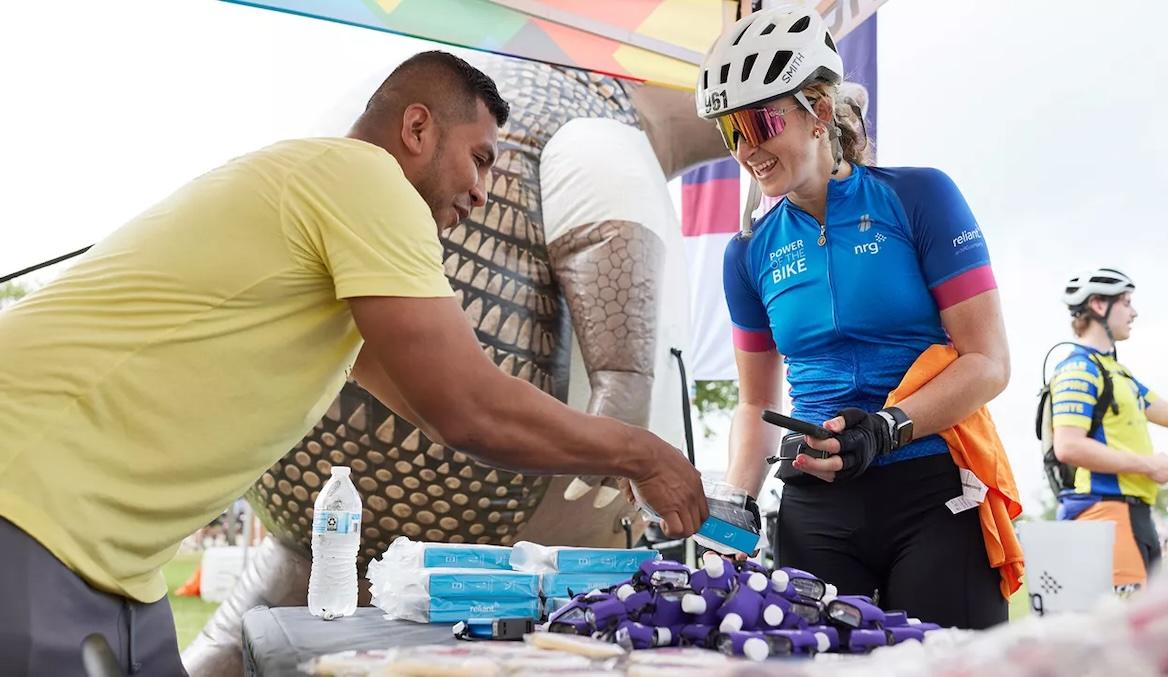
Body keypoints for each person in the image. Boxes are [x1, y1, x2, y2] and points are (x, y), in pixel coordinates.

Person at [0, 50, 706, 675]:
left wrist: (598, 450)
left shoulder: (325, 211)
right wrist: (641, 451)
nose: (485, 190)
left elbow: (437, 405)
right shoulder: (365, 181)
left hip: (103, 552)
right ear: (417, 129)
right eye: (481, 157)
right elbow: (469, 407)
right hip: (30, 503)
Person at [695, 5, 1012, 629]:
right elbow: (753, 404)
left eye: (760, 121)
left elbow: (989, 362)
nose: (747, 149)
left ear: (817, 110)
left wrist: (887, 427)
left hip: (930, 487)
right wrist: (732, 506)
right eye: (730, 133)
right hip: (815, 508)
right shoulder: (746, 251)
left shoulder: (918, 195)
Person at [1050, 268, 1168, 591]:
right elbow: (1068, 446)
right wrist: (1151, 464)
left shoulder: (1118, 372)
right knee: (1130, 634)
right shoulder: (1078, 369)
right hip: (1106, 512)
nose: (1134, 312)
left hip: (1135, 514)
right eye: (1127, 302)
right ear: (1099, 306)